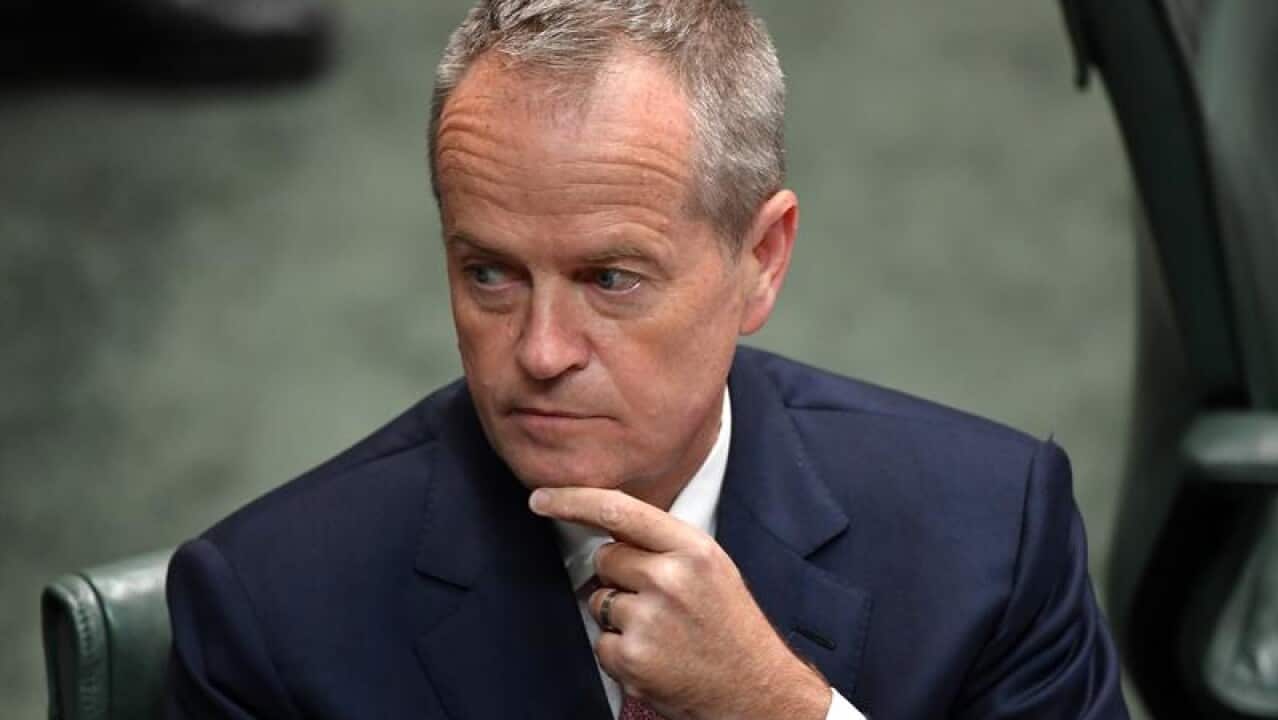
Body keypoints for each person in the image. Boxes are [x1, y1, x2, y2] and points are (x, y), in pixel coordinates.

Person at [162, 1, 1131, 718]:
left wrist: (780, 710)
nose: (540, 352)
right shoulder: (268, 609)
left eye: (610, 279)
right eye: (489, 274)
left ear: (761, 260)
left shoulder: (991, 535)